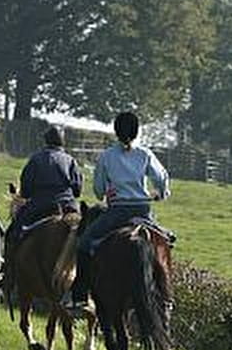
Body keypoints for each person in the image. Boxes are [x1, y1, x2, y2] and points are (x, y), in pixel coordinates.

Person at [63, 111, 170, 315]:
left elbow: (99, 190)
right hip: (143, 211)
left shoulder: (107, 156)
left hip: (117, 212)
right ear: (137, 132)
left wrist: (106, 191)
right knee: (165, 241)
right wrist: (161, 193)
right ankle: (165, 298)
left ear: (116, 131)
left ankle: (80, 295)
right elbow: (161, 177)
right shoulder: (145, 154)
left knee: (84, 243)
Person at [4, 124, 83, 252]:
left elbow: (26, 191)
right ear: (62, 141)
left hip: (39, 205)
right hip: (68, 206)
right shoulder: (71, 160)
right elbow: (77, 190)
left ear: (46, 140)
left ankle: (9, 260)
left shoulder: (35, 159)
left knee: (14, 232)